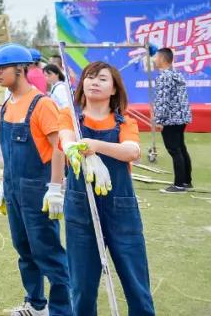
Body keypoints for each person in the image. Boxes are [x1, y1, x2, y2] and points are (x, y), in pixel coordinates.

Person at [60, 61, 155, 316]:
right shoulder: (70, 116)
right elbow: (66, 140)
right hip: (80, 209)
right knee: (81, 287)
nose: (94, 82)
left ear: (114, 89)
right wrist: (74, 147)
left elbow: (131, 151)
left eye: (102, 78)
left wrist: (95, 145)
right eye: (89, 77)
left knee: (136, 282)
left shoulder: (125, 122)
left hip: (120, 208)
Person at [0, 42, 71, 316]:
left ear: (21, 69)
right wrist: (4, 183)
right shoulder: (7, 105)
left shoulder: (42, 104)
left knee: (48, 253)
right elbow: (8, 152)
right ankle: (36, 304)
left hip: (38, 190)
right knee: (24, 249)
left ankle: (62, 310)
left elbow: (58, 147)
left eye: (3, 69)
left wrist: (56, 188)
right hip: (14, 189)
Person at [152, 47, 193, 193]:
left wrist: (159, 120)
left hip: (170, 118)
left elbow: (163, 100)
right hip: (181, 117)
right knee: (181, 148)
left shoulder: (164, 76)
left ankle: (179, 184)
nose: (154, 60)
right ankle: (186, 181)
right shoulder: (176, 74)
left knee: (175, 150)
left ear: (162, 59)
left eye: (156, 57)